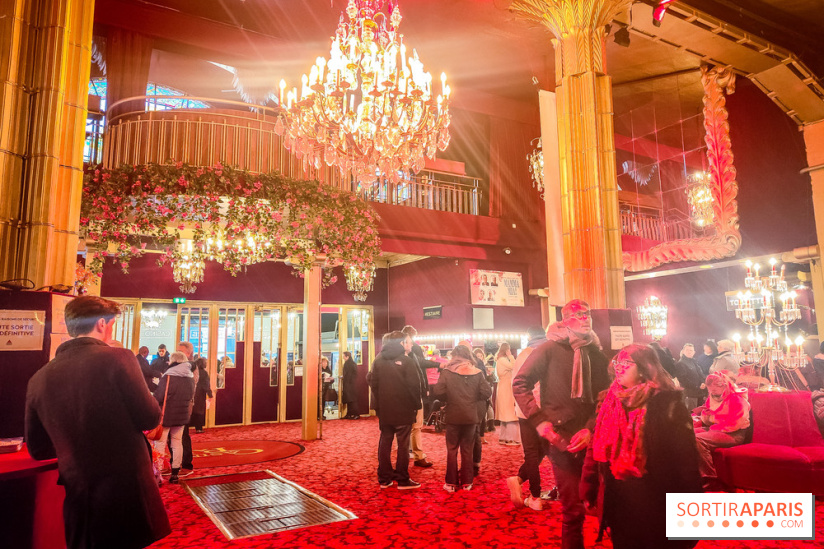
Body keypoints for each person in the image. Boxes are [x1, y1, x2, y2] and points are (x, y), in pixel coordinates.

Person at [24, 296, 170, 549]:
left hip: (79, 496)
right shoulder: (118, 358)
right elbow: (149, 417)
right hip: (126, 490)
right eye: (112, 324)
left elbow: (38, 449)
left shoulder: (39, 377)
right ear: (102, 324)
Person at [581, 344, 702, 549]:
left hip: (656, 495)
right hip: (619, 496)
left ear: (645, 368)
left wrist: (690, 508)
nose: (619, 368)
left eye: (627, 364)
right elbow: (596, 447)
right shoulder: (610, 401)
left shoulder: (667, 404)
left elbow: (686, 462)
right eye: (617, 362)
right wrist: (588, 483)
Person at [512, 299, 610, 549]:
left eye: (587, 314)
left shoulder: (597, 354)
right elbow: (520, 383)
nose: (585, 318)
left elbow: (603, 397)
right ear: (565, 320)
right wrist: (540, 421)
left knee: (602, 503)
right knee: (572, 510)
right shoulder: (549, 349)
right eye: (578, 315)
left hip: (591, 438)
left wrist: (590, 427)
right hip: (559, 437)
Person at [507, 326, 555, 512]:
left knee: (533, 453)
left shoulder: (523, 354)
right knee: (544, 450)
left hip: (526, 408)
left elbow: (516, 383)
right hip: (548, 409)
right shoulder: (551, 351)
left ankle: (534, 495)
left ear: (528, 337)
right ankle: (523, 483)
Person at [368, 331, 423, 489]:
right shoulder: (407, 361)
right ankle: (403, 479)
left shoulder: (378, 360)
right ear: (400, 343)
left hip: (385, 408)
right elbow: (414, 387)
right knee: (403, 444)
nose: (409, 344)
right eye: (407, 341)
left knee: (385, 441)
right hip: (403, 408)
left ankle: (384, 478)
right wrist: (416, 407)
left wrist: (378, 406)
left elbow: (373, 383)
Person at [434, 345, 492, 492]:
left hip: (453, 414)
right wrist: (472, 399)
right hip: (471, 415)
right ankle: (467, 482)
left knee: (452, 450)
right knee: (467, 449)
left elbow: (438, 391)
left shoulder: (447, 372)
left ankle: (451, 483)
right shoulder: (477, 372)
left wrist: (449, 398)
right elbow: (487, 392)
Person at [694, 371, 750, 490]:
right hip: (718, 430)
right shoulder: (713, 398)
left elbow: (734, 424)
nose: (712, 391)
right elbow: (708, 420)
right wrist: (706, 416)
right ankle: (692, 474)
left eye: (715, 388)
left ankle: (710, 479)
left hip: (734, 434)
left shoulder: (736, 399)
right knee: (689, 434)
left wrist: (713, 419)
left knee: (698, 439)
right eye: (710, 389)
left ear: (724, 386)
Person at [152, 351, 195, 483]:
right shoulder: (190, 377)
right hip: (182, 415)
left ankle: (158, 473)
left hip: (166, 415)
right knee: (177, 442)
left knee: (160, 443)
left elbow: (159, 396)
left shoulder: (168, 376)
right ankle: (175, 472)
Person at [402, 325, 439, 467]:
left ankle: (412, 453)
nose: (411, 344)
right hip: (413, 393)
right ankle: (416, 454)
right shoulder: (414, 350)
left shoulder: (397, 356)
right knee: (415, 425)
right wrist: (425, 388)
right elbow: (422, 367)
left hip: (408, 394)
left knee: (410, 426)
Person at [175, 341, 197, 476]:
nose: (177, 353)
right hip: (173, 405)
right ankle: (174, 464)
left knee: (183, 435)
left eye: (180, 351)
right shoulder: (175, 366)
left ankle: (187, 465)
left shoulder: (192, 367)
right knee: (173, 437)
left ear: (188, 353)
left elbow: (192, 386)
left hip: (184, 405)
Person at [495, 342, 520, 446]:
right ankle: (511, 438)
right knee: (510, 412)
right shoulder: (503, 360)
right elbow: (515, 366)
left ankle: (504, 437)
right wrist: (511, 356)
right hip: (507, 387)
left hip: (503, 386)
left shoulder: (499, 360)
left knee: (505, 412)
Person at [674, 343, 706, 410]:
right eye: (687, 350)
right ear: (683, 351)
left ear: (694, 352)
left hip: (699, 393)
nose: (689, 352)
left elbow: (700, 374)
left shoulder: (694, 362)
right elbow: (683, 379)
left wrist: (703, 382)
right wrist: (697, 386)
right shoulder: (681, 363)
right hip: (690, 394)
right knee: (691, 414)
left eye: (691, 350)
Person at [189, 357, 213, 433]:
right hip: (200, 394)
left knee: (191, 410)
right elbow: (206, 385)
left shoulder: (192, 372)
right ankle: (199, 428)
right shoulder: (204, 373)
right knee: (199, 412)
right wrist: (210, 394)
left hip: (191, 393)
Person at [341, 351, 360, 419]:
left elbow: (348, 374)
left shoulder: (347, 364)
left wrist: (345, 378)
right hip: (352, 384)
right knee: (350, 400)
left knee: (351, 400)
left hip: (349, 384)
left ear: (347, 356)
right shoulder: (352, 363)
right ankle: (350, 414)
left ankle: (355, 414)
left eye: (343, 356)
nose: (343, 358)